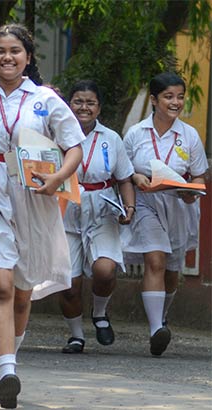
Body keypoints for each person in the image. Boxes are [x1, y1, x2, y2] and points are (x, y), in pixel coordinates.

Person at [0, 24, 84, 408]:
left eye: (15, 51)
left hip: (32, 194)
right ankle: (6, 370)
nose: (7, 57)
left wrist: (58, 176)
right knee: (1, 284)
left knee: (22, 294)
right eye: (0, 51)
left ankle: (9, 358)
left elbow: (73, 145)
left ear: (28, 56)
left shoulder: (45, 99)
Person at [121, 72, 207, 356]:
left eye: (180, 97)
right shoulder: (135, 133)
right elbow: (122, 170)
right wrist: (135, 177)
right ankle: (156, 328)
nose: (176, 102)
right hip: (147, 203)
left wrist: (191, 191)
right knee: (154, 259)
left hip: (179, 206)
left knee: (172, 270)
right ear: (155, 100)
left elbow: (199, 179)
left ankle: (163, 316)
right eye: (169, 96)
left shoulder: (189, 135)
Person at [57, 80, 136, 354]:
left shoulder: (111, 138)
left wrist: (129, 207)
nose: (84, 107)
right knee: (69, 283)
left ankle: (100, 314)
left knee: (105, 269)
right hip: (65, 210)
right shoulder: (56, 135)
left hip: (101, 209)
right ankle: (76, 335)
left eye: (90, 102)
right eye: (78, 101)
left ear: (99, 107)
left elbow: (124, 178)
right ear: (69, 104)